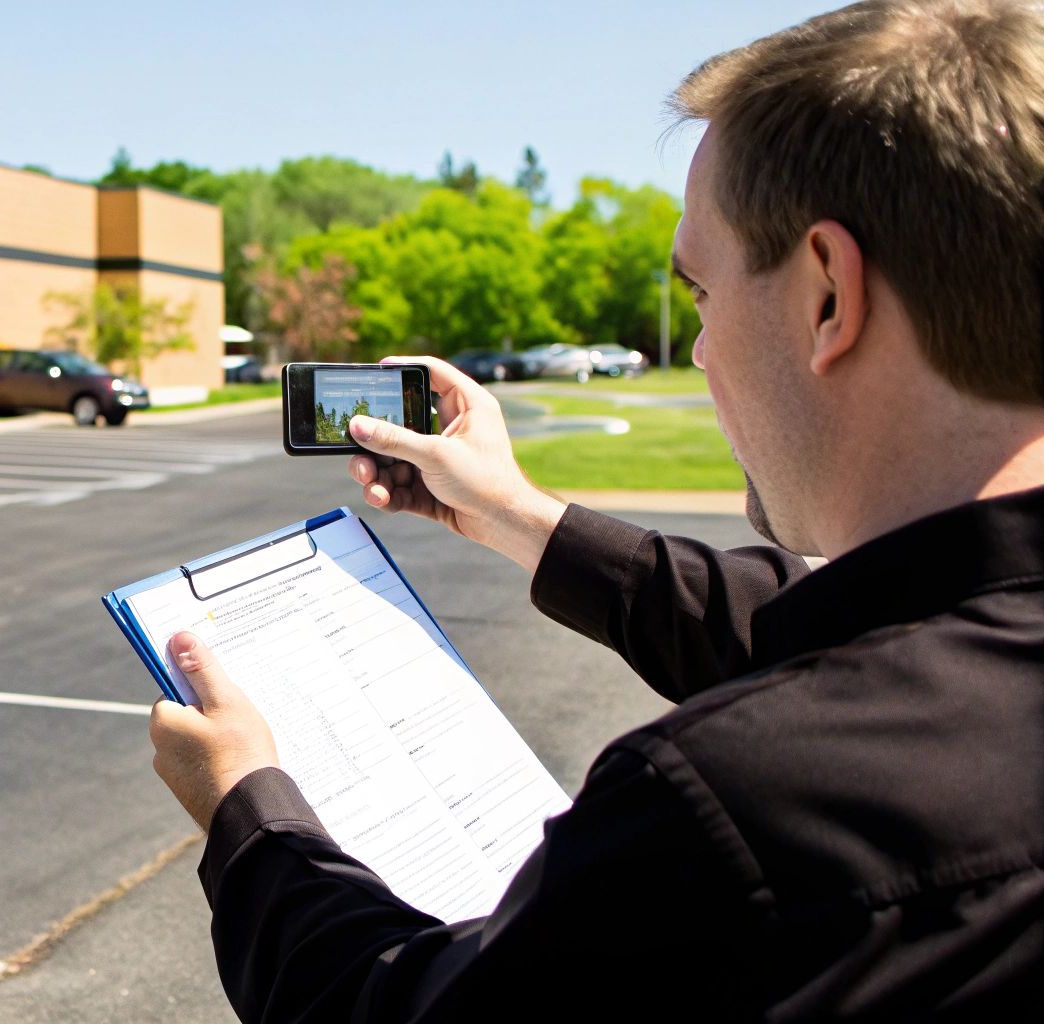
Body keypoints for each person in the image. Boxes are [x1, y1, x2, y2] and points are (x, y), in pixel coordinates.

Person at [147, 1, 1044, 1019]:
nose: (699, 350)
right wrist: (516, 515)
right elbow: (821, 627)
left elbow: (389, 1008)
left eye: (699, 293)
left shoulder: (728, 808)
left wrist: (245, 804)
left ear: (827, 296)